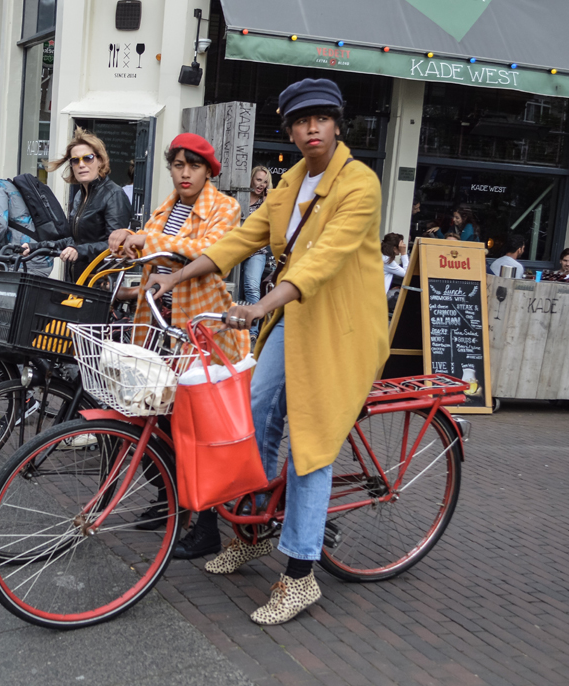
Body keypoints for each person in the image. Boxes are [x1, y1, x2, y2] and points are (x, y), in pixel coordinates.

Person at [145, 78, 388, 626]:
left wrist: (258, 306)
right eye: (300, 122)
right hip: (293, 319)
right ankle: (254, 531)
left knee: (311, 445)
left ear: (337, 123)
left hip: (340, 328)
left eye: (320, 119)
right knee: (253, 418)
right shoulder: (290, 183)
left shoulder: (360, 184)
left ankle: (300, 575)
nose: (311, 130)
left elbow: (321, 260)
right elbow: (240, 240)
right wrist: (175, 275)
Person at [108, 133, 250, 363]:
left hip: (197, 314)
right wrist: (127, 238)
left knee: (193, 390)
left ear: (208, 171)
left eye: (194, 166)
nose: (185, 173)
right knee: (154, 388)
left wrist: (147, 241)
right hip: (157, 313)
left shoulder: (225, 207)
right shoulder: (166, 207)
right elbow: (147, 242)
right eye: (178, 165)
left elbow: (209, 250)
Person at [41, 128, 133, 283]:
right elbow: (75, 241)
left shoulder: (113, 194)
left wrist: (79, 251)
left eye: (88, 158)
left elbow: (116, 246)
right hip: (78, 281)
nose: (81, 164)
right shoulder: (80, 195)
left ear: (101, 161)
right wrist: (36, 247)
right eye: (75, 160)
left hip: (100, 284)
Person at [238, 166, 274, 325]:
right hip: (237, 248)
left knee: (252, 288)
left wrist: (267, 201)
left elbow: (270, 225)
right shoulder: (240, 197)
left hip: (256, 251)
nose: (261, 185)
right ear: (251, 178)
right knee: (233, 290)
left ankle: (252, 332)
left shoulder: (264, 202)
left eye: (265, 182)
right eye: (258, 180)